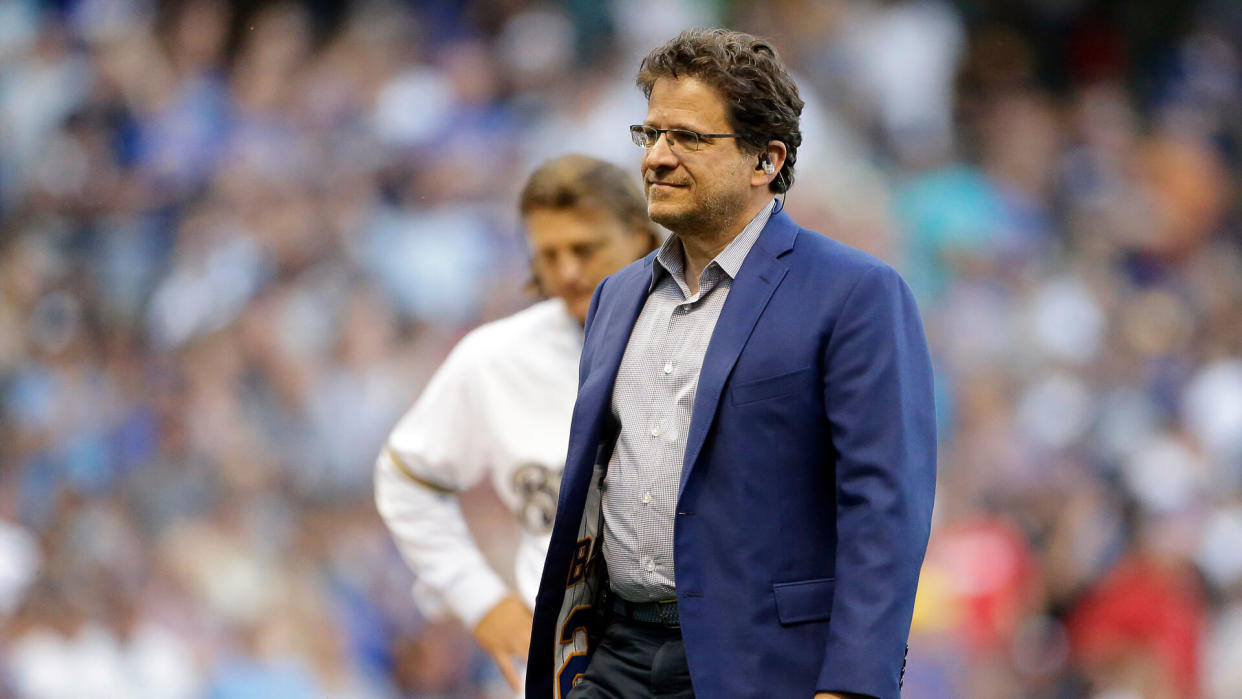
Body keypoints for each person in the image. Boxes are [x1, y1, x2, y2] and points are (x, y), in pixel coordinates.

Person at [526, 29, 936, 699]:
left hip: (759, 666)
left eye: (686, 137)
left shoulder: (855, 293)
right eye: (649, 134)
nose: (656, 157)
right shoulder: (616, 295)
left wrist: (854, 686)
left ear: (765, 160)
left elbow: (885, 510)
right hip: (616, 657)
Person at [374, 154, 658, 691]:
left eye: (585, 248)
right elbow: (405, 479)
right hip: (573, 665)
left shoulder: (710, 339)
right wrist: (479, 599)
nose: (568, 271)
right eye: (548, 255)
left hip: (705, 650)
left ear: (641, 238)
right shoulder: (496, 359)